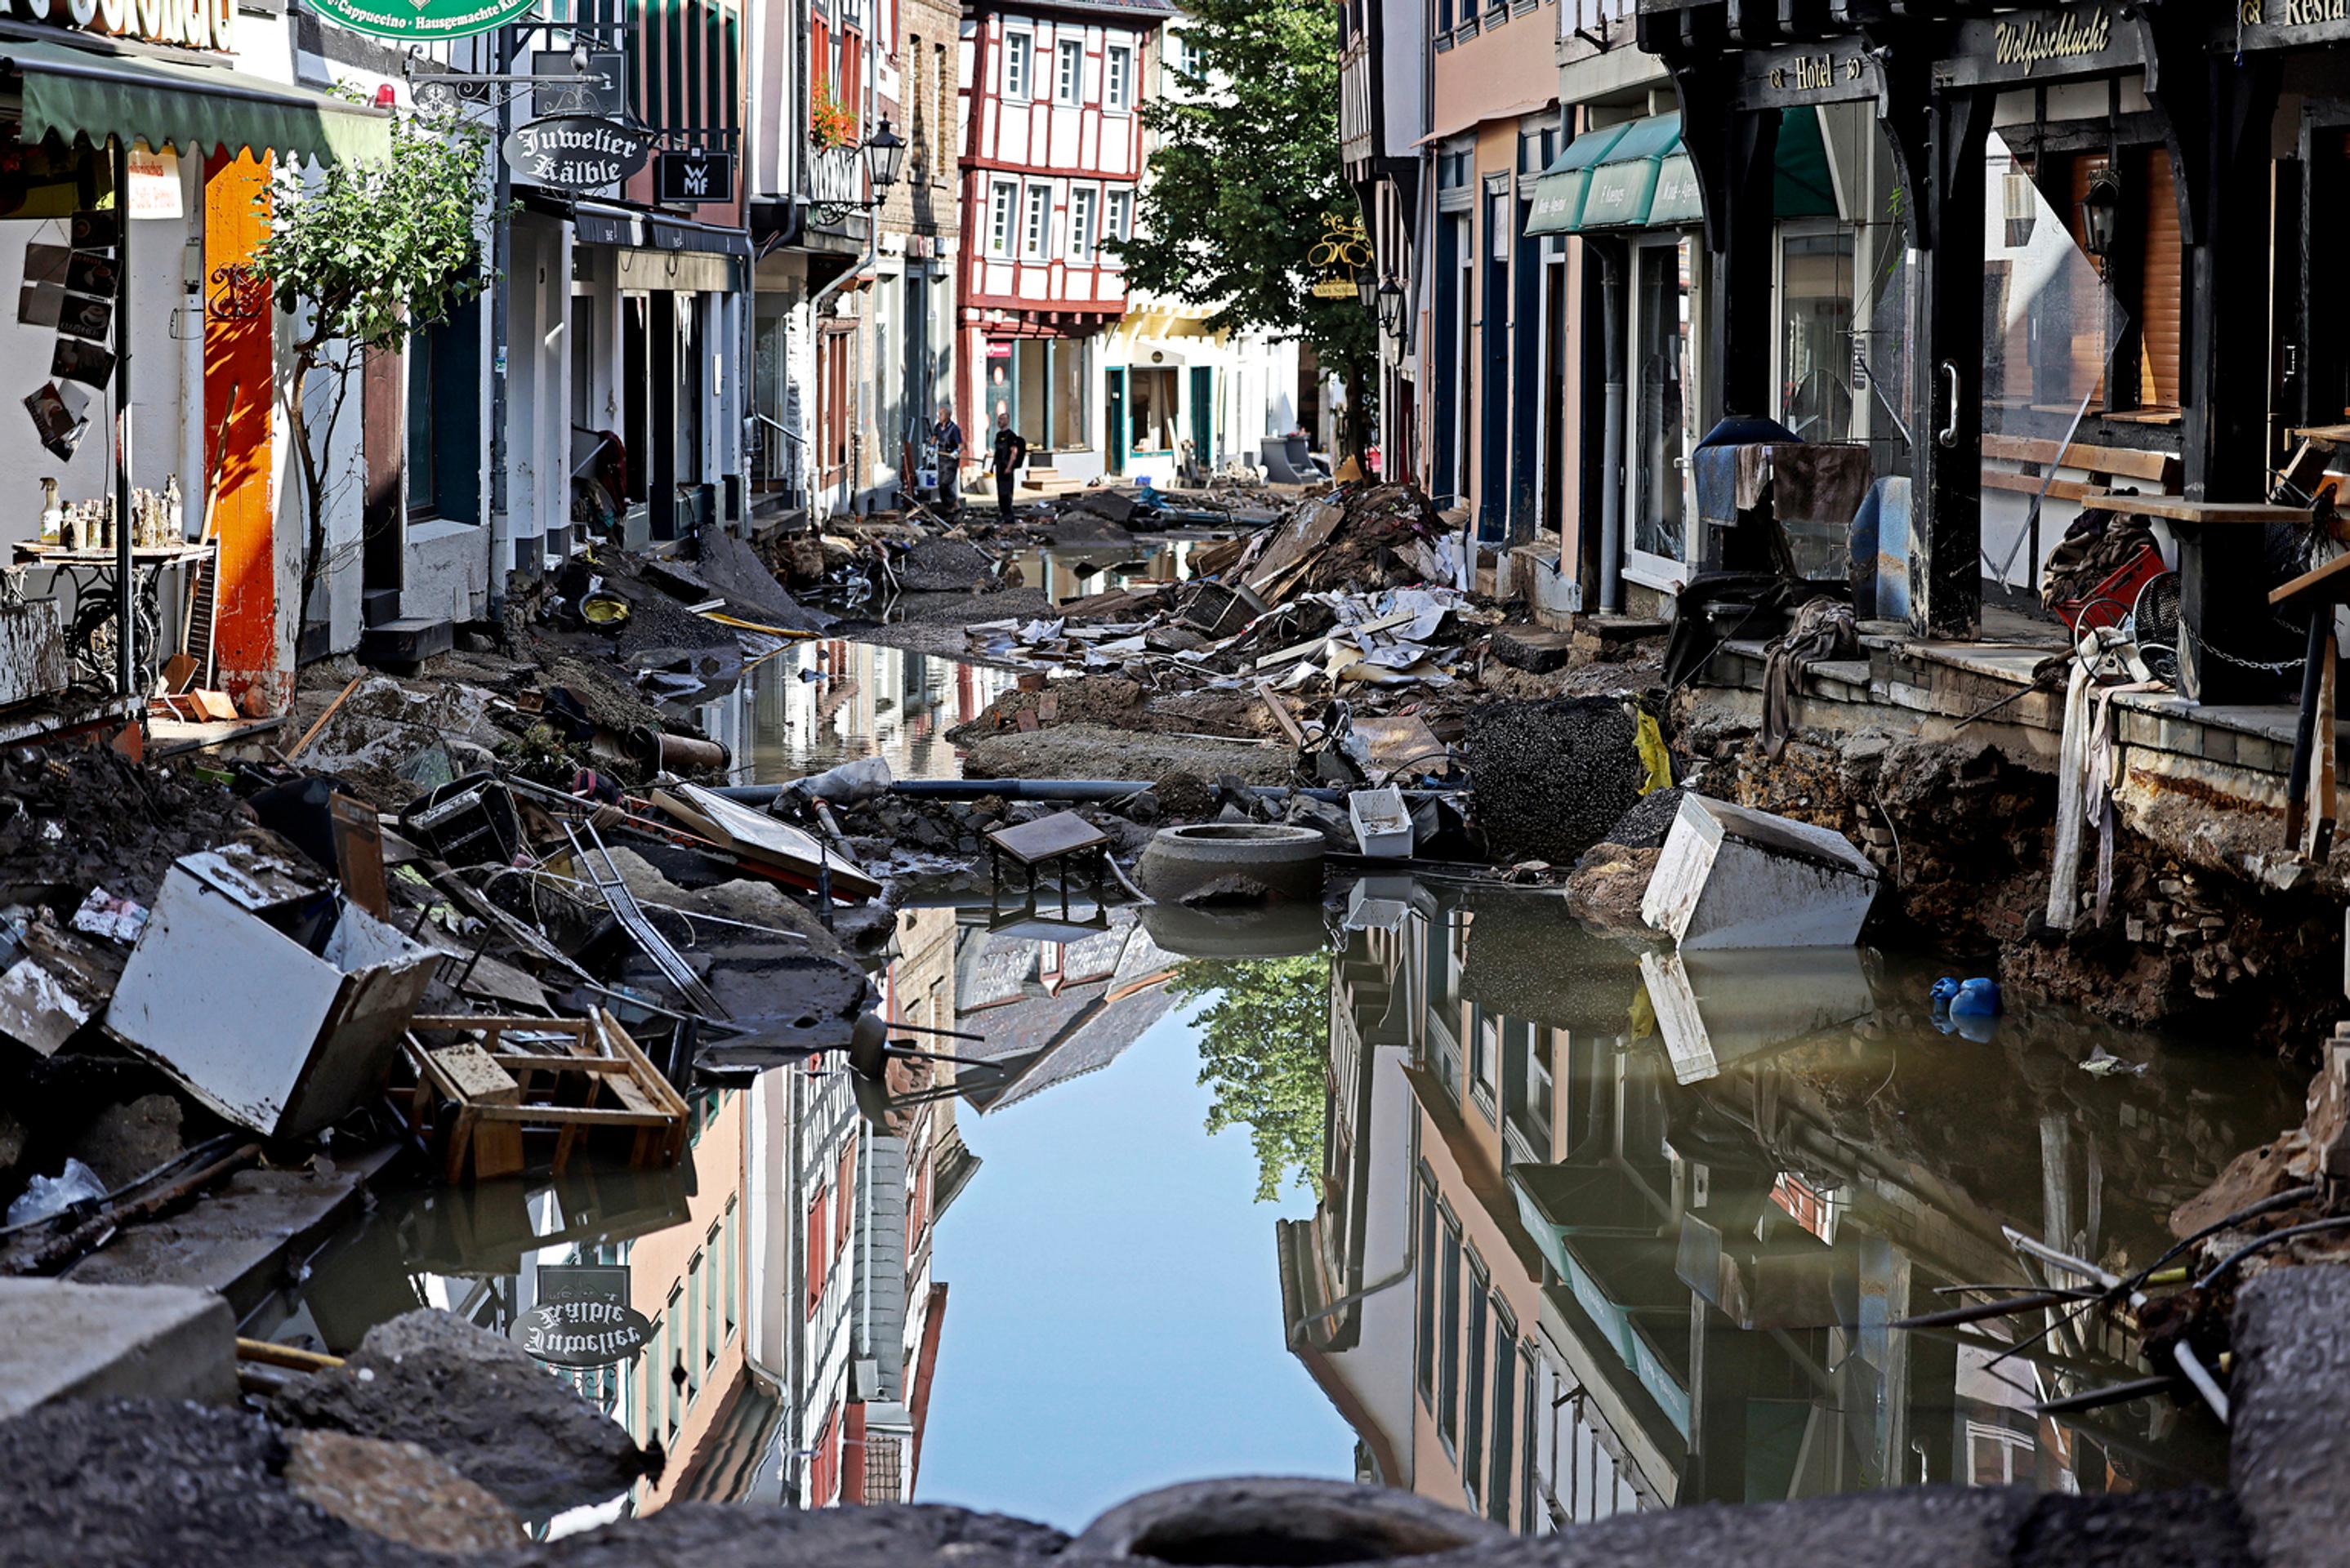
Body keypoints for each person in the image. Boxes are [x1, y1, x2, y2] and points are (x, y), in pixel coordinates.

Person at [991, 410, 1029, 523]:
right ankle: (1003, 513)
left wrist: (1009, 467)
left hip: (1007, 466)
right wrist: (992, 466)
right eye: (999, 419)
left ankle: (1009, 516)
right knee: (1000, 491)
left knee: (1006, 491)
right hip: (999, 466)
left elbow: (1014, 452)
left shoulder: (1011, 435)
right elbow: (997, 452)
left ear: (1007, 421)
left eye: (1002, 419)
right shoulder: (998, 435)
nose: (999, 421)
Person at [931, 402, 965, 515]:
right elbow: (934, 437)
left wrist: (956, 452)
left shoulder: (954, 429)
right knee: (941, 485)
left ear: (948, 415)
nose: (938, 416)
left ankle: (956, 506)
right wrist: (931, 447)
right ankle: (949, 509)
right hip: (941, 459)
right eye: (938, 414)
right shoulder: (938, 427)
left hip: (951, 461)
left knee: (946, 484)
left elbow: (961, 445)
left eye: (941, 414)